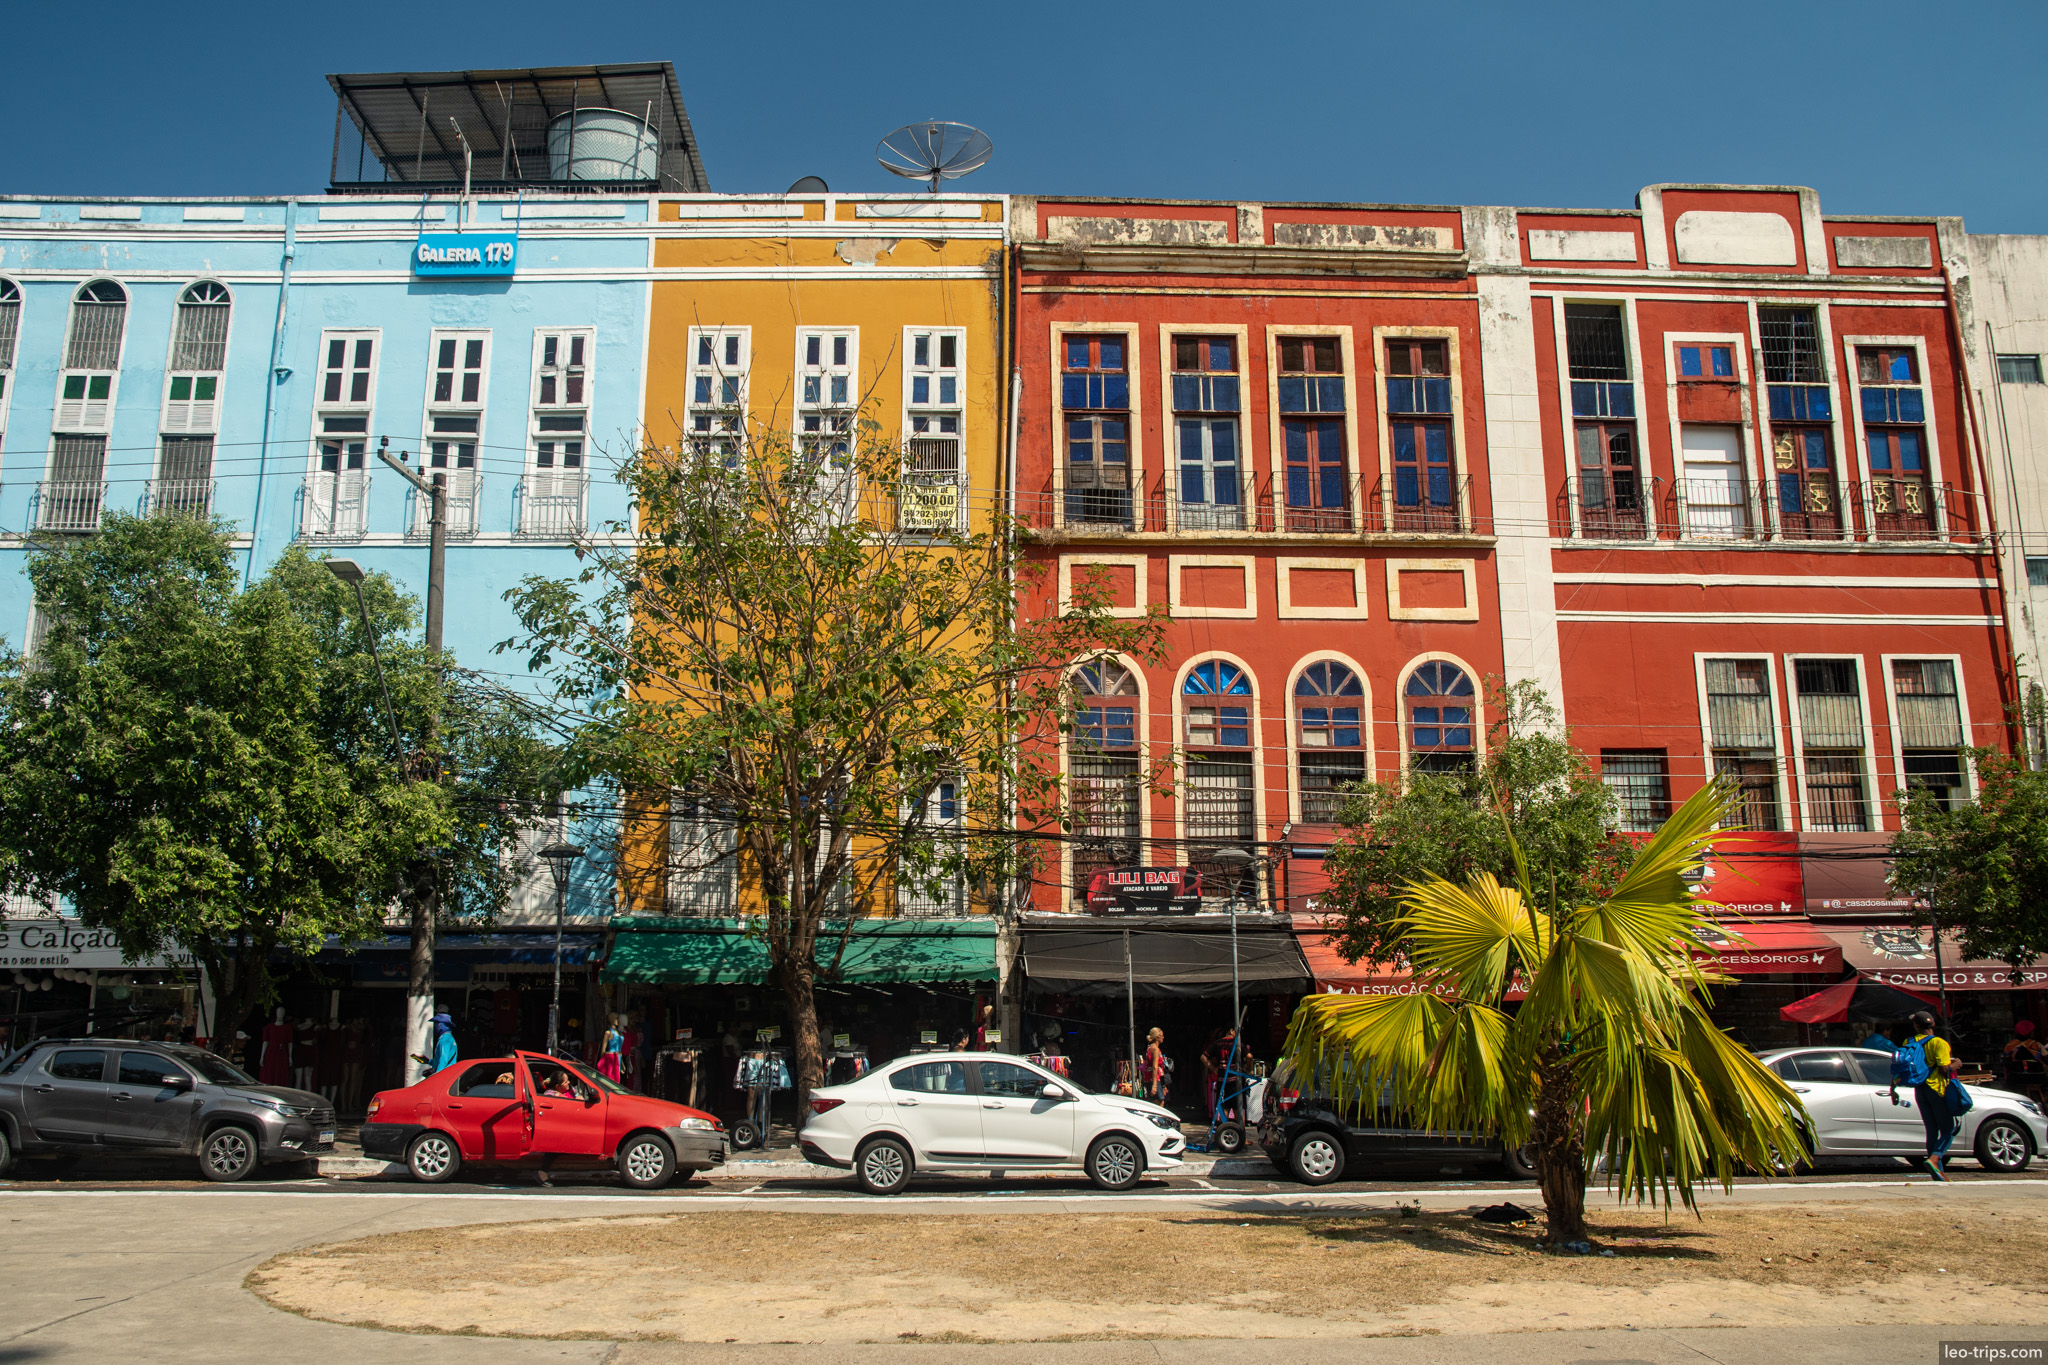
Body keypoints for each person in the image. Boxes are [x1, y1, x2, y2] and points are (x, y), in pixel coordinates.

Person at [1888, 1010, 1957, 1181]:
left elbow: (1903, 1066)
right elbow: (1943, 1068)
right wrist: (1957, 1063)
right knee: (1949, 1129)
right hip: (1936, 1089)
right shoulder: (1939, 1043)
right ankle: (1934, 1159)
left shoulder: (1908, 1042)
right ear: (1933, 1025)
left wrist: (1893, 1089)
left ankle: (1938, 1173)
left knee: (1931, 1130)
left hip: (1919, 1089)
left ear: (1916, 1026)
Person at [1143, 1027, 1169, 1106]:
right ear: (1157, 1037)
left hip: (1151, 1078)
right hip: (1154, 1079)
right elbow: (1155, 1067)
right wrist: (1154, 1085)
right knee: (1159, 1103)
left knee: (1156, 1102)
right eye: (1162, 1036)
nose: (1163, 1037)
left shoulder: (1149, 1048)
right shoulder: (1155, 1049)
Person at [598, 1015, 625, 1082]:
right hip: (611, 1057)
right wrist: (602, 1062)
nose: (618, 1021)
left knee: (617, 1078)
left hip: (618, 1056)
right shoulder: (608, 1032)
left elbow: (620, 1049)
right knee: (611, 1078)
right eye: (616, 1019)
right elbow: (603, 1049)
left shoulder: (619, 1033)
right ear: (611, 1020)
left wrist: (622, 1063)